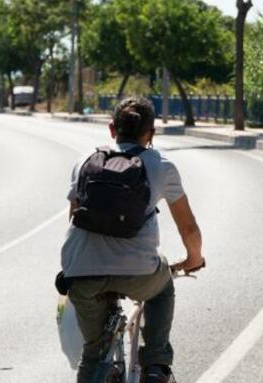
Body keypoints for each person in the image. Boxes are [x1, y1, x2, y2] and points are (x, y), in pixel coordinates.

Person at [60, 97, 204, 383]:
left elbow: (74, 216)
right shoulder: (162, 166)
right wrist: (193, 259)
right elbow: (188, 228)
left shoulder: (85, 162)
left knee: (93, 353)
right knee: (161, 289)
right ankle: (155, 364)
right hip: (138, 271)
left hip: (81, 272)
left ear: (112, 129)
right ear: (150, 134)